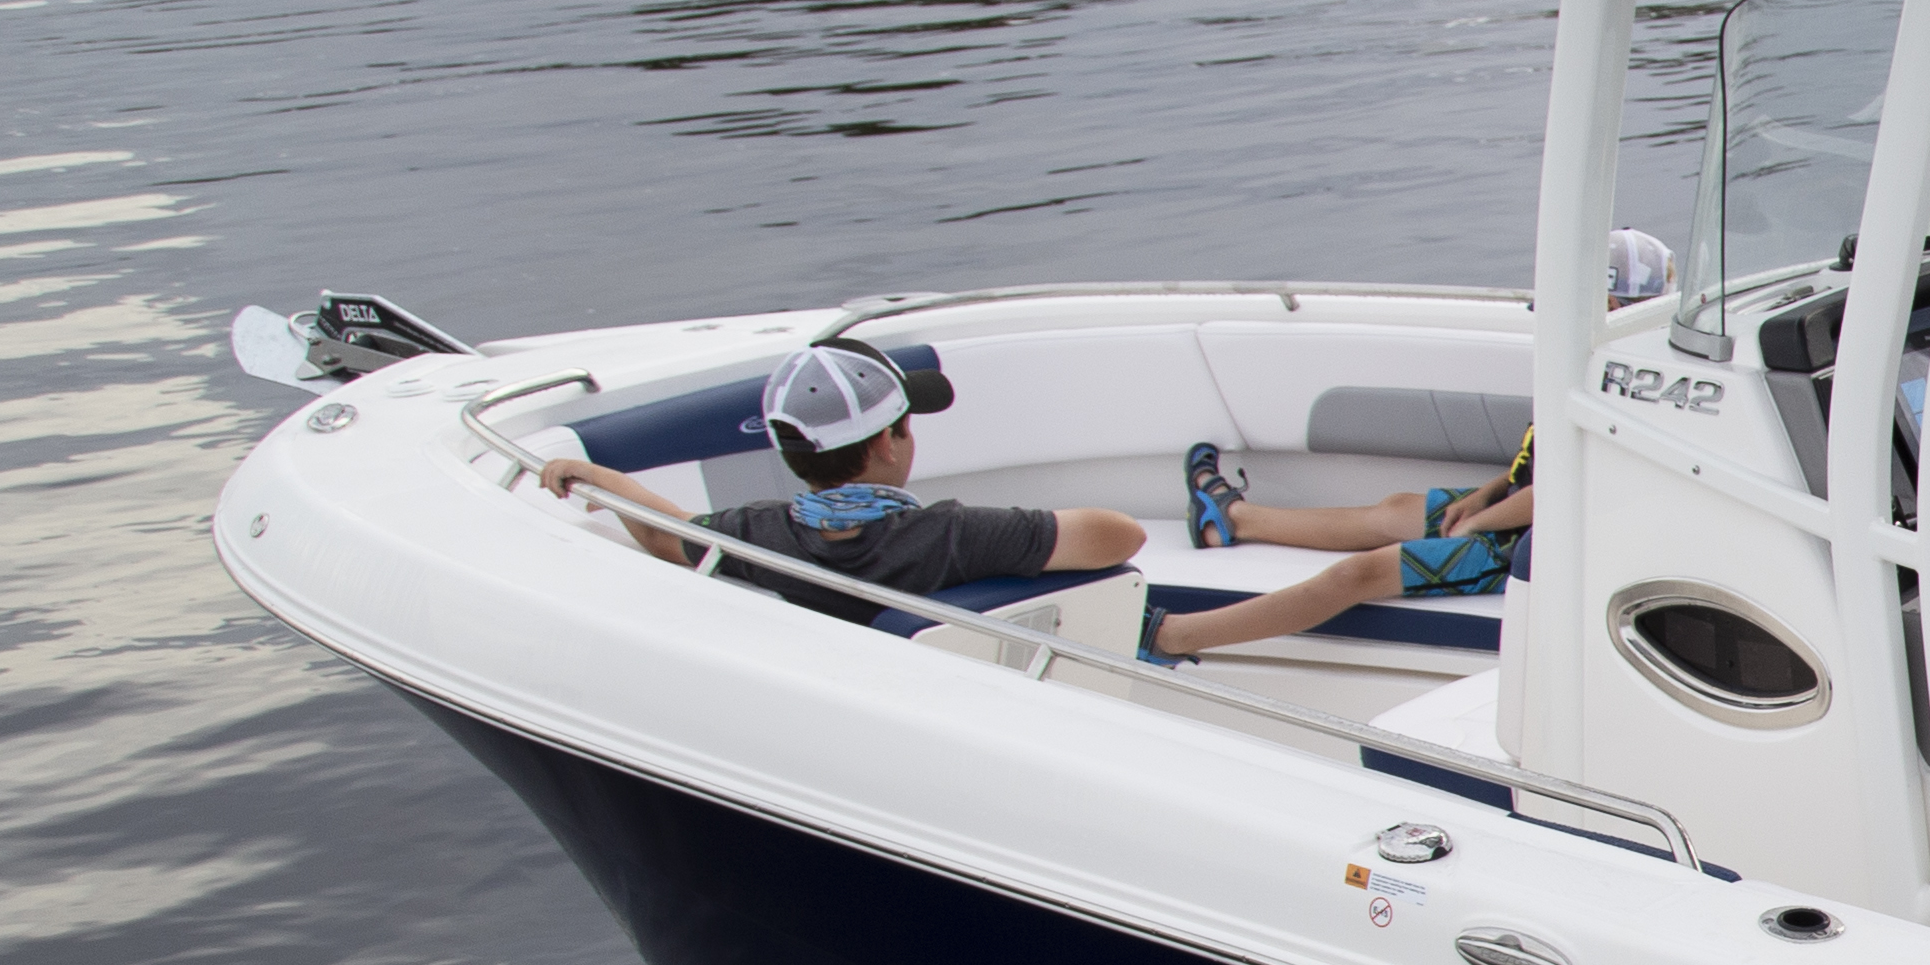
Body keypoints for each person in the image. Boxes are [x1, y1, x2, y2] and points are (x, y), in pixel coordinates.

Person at [534, 336, 1140, 618]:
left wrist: (600, 479)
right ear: (887, 442)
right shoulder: (956, 536)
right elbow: (1119, 536)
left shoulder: (758, 535)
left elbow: (668, 533)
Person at [1153, 427, 1534, 662]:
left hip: (1527, 544)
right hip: (1516, 507)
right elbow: (1540, 457)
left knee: (1357, 575)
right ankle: (1230, 520)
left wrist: (1478, 522)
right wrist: (1488, 493)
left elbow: (1562, 492)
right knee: (1394, 511)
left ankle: (1168, 637)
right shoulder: (1572, 356)